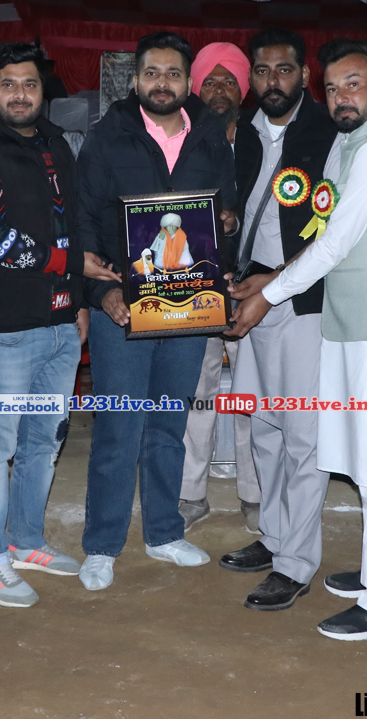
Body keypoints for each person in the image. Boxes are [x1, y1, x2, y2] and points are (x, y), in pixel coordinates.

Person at [229, 38, 367, 640]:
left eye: (355, 84)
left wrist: (268, 294)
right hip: (352, 324)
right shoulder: (355, 142)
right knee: (365, 461)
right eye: (335, 86)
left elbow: (335, 241)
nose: (342, 96)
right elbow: (324, 230)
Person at [76, 31, 238, 591]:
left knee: (170, 424)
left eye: (172, 73)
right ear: (135, 80)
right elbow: (83, 221)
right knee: (119, 428)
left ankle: (164, 532)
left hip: (187, 311)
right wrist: (99, 293)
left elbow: (225, 213)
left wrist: (227, 226)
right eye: (151, 73)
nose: (162, 83)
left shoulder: (211, 137)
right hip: (122, 307)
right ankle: (102, 545)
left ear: (188, 81)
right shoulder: (107, 137)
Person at [0, 42, 117, 608]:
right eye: (8, 84)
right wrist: (71, 266)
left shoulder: (57, 144)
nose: (20, 94)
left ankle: (25, 541)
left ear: (42, 90)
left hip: (59, 322)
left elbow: (70, 221)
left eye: (29, 83)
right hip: (3, 326)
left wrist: (78, 301)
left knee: (42, 443)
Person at [217, 28, 339, 613]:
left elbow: (333, 233)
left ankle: (296, 563)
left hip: (303, 300)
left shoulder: (330, 132)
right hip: (251, 294)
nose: (273, 81)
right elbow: (236, 213)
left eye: (284, 70)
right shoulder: (242, 133)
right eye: (262, 71)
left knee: (303, 436)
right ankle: (274, 536)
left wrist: (273, 285)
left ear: (304, 75)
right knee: (264, 427)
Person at [179, 41, 259, 533]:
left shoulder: (262, 139)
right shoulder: (181, 136)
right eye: (210, 80)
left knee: (252, 395)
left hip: (254, 289)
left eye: (230, 80)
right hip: (195, 286)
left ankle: (255, 493)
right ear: (195, 86)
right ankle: (191, 494)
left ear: (244, 88)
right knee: (198, 393)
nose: (219, 89)